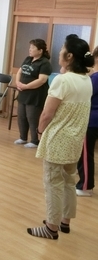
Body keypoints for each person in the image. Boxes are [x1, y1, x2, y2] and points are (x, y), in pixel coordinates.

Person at [27, 34, 94, 240]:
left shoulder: (62, 81)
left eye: (62, 49)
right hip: (75, 140)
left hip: (58, 139)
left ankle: (51, 227)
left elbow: (47, 114)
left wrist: (39, 131)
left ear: (70, 56)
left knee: (52, 183)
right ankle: (64, 222)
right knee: (67, 182)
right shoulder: (87, 80)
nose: (59, 52)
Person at [14, 39, 52, 148]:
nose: (29, 50)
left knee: (32, 117)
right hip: (23, 93)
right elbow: (20, 72)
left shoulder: (44, 63)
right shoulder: (28, 59)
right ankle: (23, 137)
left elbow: (42, 80)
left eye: (32, 48)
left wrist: (26, 86)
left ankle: (35, 140)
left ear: (40, 51)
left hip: (35, 95)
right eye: (29, 47)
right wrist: (17, 82)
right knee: (21, 116)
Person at [76, 45, 98, 197]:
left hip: (92, 120)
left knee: (85, 154)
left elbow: (85, 96)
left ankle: (85, 186)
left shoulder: (95, 78)